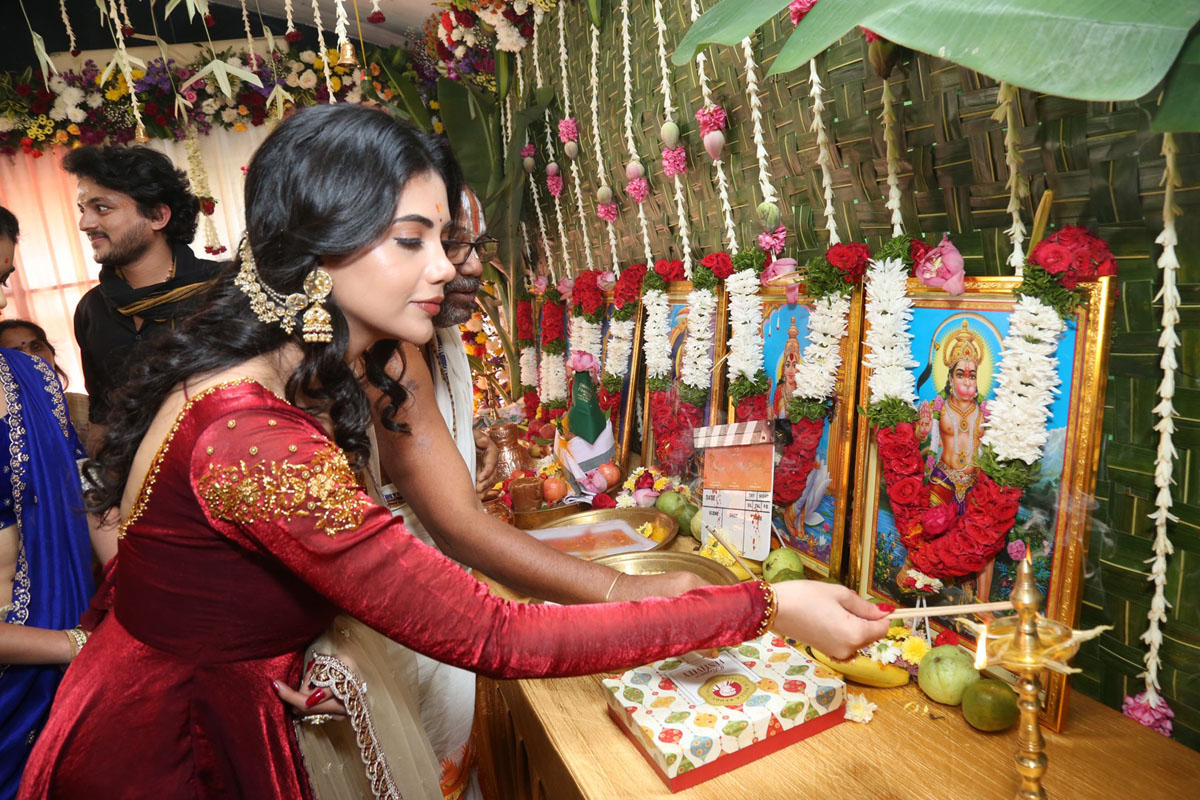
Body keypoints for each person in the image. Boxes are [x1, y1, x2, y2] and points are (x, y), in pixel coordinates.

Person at [19, 105, 888, 800]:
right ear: (317, 248)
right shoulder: (255, 441)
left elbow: (155, 573)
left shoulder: (246, 381)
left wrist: (254, 654)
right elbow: (499, 634)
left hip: (185, 701)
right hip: (165, 752)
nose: (443, 268)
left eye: (446, 239)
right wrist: (764, 610)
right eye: (412, 240)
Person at [0, 207, 95, 800]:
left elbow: (89, 504)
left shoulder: (34, 380)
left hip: (69, 668)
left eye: (0, 276)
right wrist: (83, 648)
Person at [64, 145, 221, 455]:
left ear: (158, 216)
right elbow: (103, 414)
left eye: (102, 207)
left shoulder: (223, 291)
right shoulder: (92, 309)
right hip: (133, 485)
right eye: (83, 209)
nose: (85, 223)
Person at [0, 320, 89, 439]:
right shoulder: (5, 422)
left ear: (52, 353)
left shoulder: (84, 407)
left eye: (36, 347)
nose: (31, 356)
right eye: (16, 353)